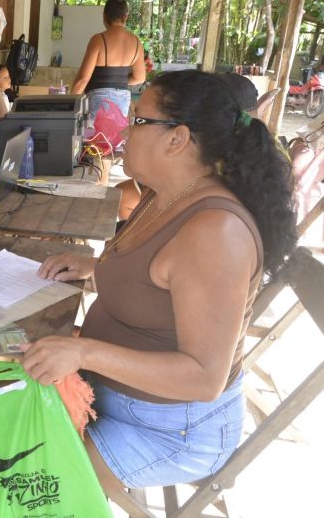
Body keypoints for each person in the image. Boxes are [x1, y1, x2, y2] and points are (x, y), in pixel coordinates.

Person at [22, 70, 296, 492]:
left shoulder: (215, 232)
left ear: (177, 138)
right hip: (117, 398)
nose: (123, 130)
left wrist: (83, 352)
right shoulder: (164, 193)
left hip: (170, 429)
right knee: (5, 412)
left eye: (138, 120)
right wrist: (96, 267)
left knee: (25, 479)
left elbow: (204, 378)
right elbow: (161, 278)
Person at [71, 0, 145, 124]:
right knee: (114, 141)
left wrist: (68, 104)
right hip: (123, 100)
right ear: (126, 16)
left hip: (99, 98)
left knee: (95, 142)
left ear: (104, 16)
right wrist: (119, 80)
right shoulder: (136, 42)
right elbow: (140, 77)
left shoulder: (98, 40)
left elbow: (82, 80)